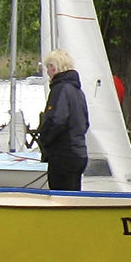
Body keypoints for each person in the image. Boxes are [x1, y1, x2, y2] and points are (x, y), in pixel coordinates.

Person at [37, 50, 89, 191]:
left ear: (54, 68)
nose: (47, 72)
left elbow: (56, 120)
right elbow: (85, 123)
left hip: (63, 155)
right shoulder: (78, 91)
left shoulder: (60, 89)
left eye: (48, 67)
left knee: (60, 196)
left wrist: (44, 140)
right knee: (73, 195)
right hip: (79, 153)